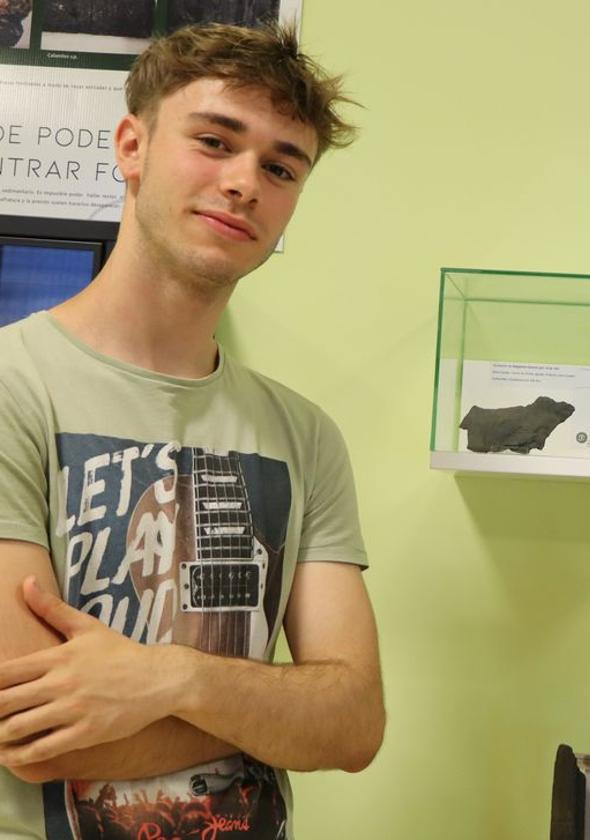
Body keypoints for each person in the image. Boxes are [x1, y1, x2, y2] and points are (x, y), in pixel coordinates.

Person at [0, 22, 384, 839]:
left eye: (281, 167)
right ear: (132, 146)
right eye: (215, 141)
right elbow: (32, 735)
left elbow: (353, 725)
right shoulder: (12, 386)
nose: (245, 182)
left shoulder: (305, 434)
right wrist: (270, 708)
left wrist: (167, 677)